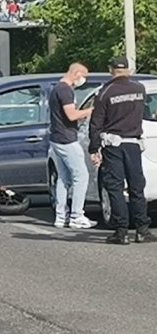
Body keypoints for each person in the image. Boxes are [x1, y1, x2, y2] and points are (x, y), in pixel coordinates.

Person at [89, 56, 157, 244]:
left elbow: (96, 123)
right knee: (137, 187)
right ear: (128, 69)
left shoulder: (105, 92)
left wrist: (93, 148)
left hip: (114, 145)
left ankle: (121, 232)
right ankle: (142, 229)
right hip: (134, 144)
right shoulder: (139, 89)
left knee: (115, 187)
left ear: (111, 69)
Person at [49, 62, 96, 229]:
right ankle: (77, 215)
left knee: (63, 178)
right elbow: (71, 115)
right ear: (76, 73)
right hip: (67, 139)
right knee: (81, 176)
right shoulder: (65, 90)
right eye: (83, 76)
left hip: (56, 138)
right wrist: (90, 111)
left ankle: (61, 216)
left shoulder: (57, 88)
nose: (83, 80)